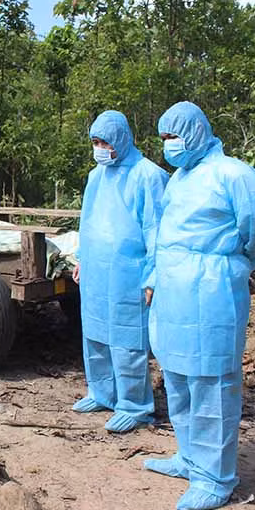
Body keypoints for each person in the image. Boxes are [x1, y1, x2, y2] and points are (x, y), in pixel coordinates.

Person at [144, 101, 255, 510]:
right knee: (179, 377)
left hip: (213, 290)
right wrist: (154, 278)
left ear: (198, 132)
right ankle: (189, 457)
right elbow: (166, 236)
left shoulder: (233, 174)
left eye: (175, 136)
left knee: (211, 384)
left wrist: (232, 264)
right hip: (173, 292)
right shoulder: (178, 180)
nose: (169, 145)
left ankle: (215, 477)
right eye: (164, 138)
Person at [72, 110, 168, 433]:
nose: (100, 148)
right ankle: (102, 392)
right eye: (95, 142)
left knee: (128, 341)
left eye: (105, 142)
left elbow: (158, 231)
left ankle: (135, 405)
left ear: (122, 139)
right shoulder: (95, 177)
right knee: (96, 334)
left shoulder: (147, 175)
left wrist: (154, 275)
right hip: (97, 272)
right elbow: (87, 223)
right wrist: (81, 259)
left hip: (130, 275)